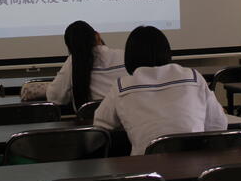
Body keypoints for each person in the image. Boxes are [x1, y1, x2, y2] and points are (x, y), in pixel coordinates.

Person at [93, 26, 227, 155]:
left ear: (129, 57)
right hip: (195, 165)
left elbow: (99, 129)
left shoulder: (122, 86)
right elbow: (218, 124)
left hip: (146, 167)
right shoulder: (193, 76)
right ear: (166, 51)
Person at [46, 20, 126, 108]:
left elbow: (54, 97)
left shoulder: (73, 61)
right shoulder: (123, 55)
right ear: (97, 36)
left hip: (93, 116)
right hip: (127, 114)